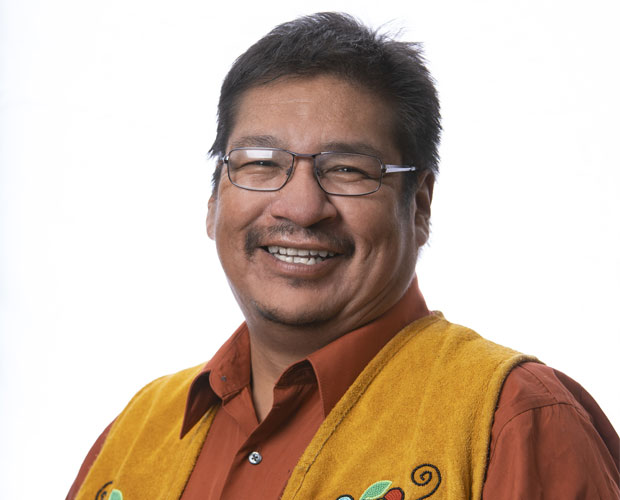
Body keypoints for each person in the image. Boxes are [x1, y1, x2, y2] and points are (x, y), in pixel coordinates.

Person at [67, 12, 619, 500]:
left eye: (348, 170)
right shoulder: (135, 435)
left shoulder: (514, 419)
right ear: (214, 201)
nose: (302, 208)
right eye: (260, 162)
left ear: (420, 205)